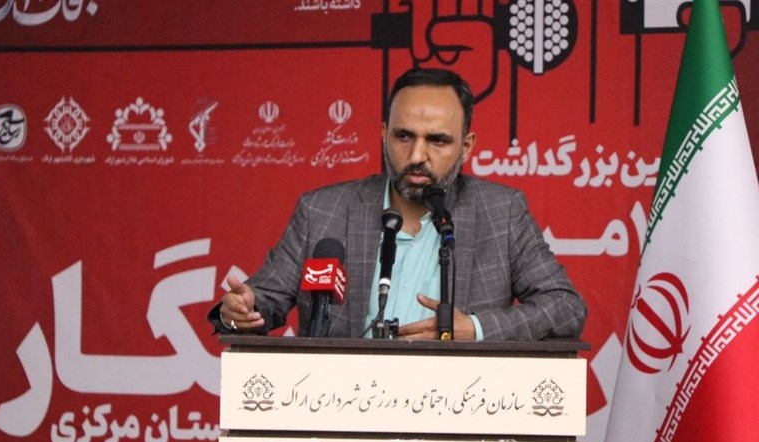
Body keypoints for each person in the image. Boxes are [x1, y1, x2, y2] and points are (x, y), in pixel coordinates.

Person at [209, 67, 586, 340]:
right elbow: (264, 300)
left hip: (459, 408)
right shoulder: (323, 211)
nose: (417, 155)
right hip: (342, 408)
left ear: (466, 146)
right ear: (383, 134)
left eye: (437, 140)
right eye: (404, 136)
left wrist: (475, 329)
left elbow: (566, 308)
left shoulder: (501, 212)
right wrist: (240, 310)